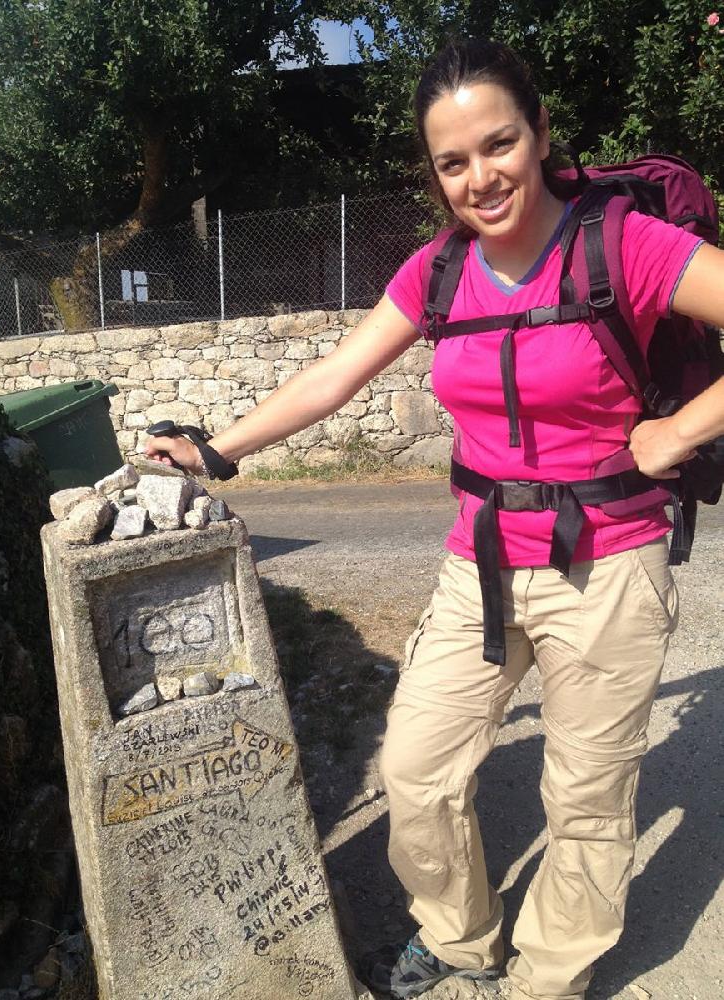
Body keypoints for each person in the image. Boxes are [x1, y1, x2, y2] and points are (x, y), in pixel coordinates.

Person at [146, 37, 724, 1000]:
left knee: (583, 800)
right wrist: (219, 452)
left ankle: (549, 978)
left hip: (610, 566)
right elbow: (336, 373)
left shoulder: (621, 241)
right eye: (453, 162)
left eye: (499, 145)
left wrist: (679, 432)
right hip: (481, 563)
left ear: (539, 136)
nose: (481, 177)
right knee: (416, 768)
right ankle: (459, 940)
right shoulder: (439, 271)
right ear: (434, 172)